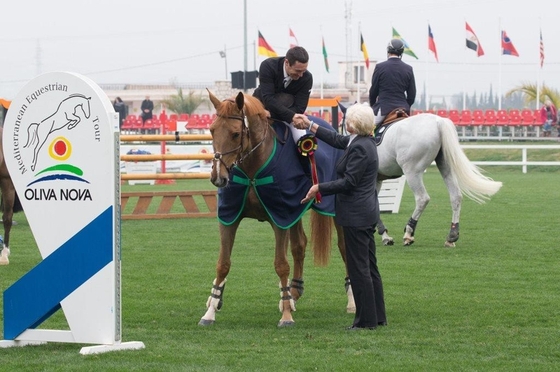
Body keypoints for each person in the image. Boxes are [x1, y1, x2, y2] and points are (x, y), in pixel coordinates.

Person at [295, 103, 386, 330]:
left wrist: (319, 188)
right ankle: (377, 316)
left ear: (354, 124)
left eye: (349, 119)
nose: (346, 122)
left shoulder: (359, 148)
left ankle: (365, 321)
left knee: (359, 269)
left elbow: (349, 182)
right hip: (365, 212)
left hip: (356, 215)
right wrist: (310, 125)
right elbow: (335, 139)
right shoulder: (362, 142)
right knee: (370, 266)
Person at [253, 46, 312, 141]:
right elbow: (268, 99)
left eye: (304, 71)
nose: (301, 75)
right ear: (287, 62)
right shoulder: (268, 66)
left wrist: (271, 114)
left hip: (288, 115)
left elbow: (299, 108)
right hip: (261, 107)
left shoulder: (307, 78)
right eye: (298, 71)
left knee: (302, 140)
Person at [369, 38, 416, 125]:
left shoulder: (380, 67)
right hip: (403, 109)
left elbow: (373, 92)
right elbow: (412, 95)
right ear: (401, 52)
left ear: (388, 51)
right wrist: (405, 105)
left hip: (384, 108)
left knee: (367, 128)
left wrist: (373, 106)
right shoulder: (408, 69)